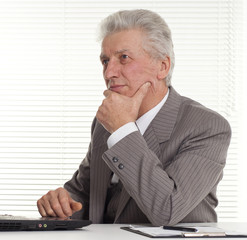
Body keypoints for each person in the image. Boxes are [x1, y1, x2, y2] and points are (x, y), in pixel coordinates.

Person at [36, 9, 231, 226]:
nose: (109, 73)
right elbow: (84, 194)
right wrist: (62, 204)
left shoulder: (207, 127)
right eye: (105, 61)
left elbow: (167, 209)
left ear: (162, 66)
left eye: (124, 58)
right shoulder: (104, 125)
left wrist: (122, 131)